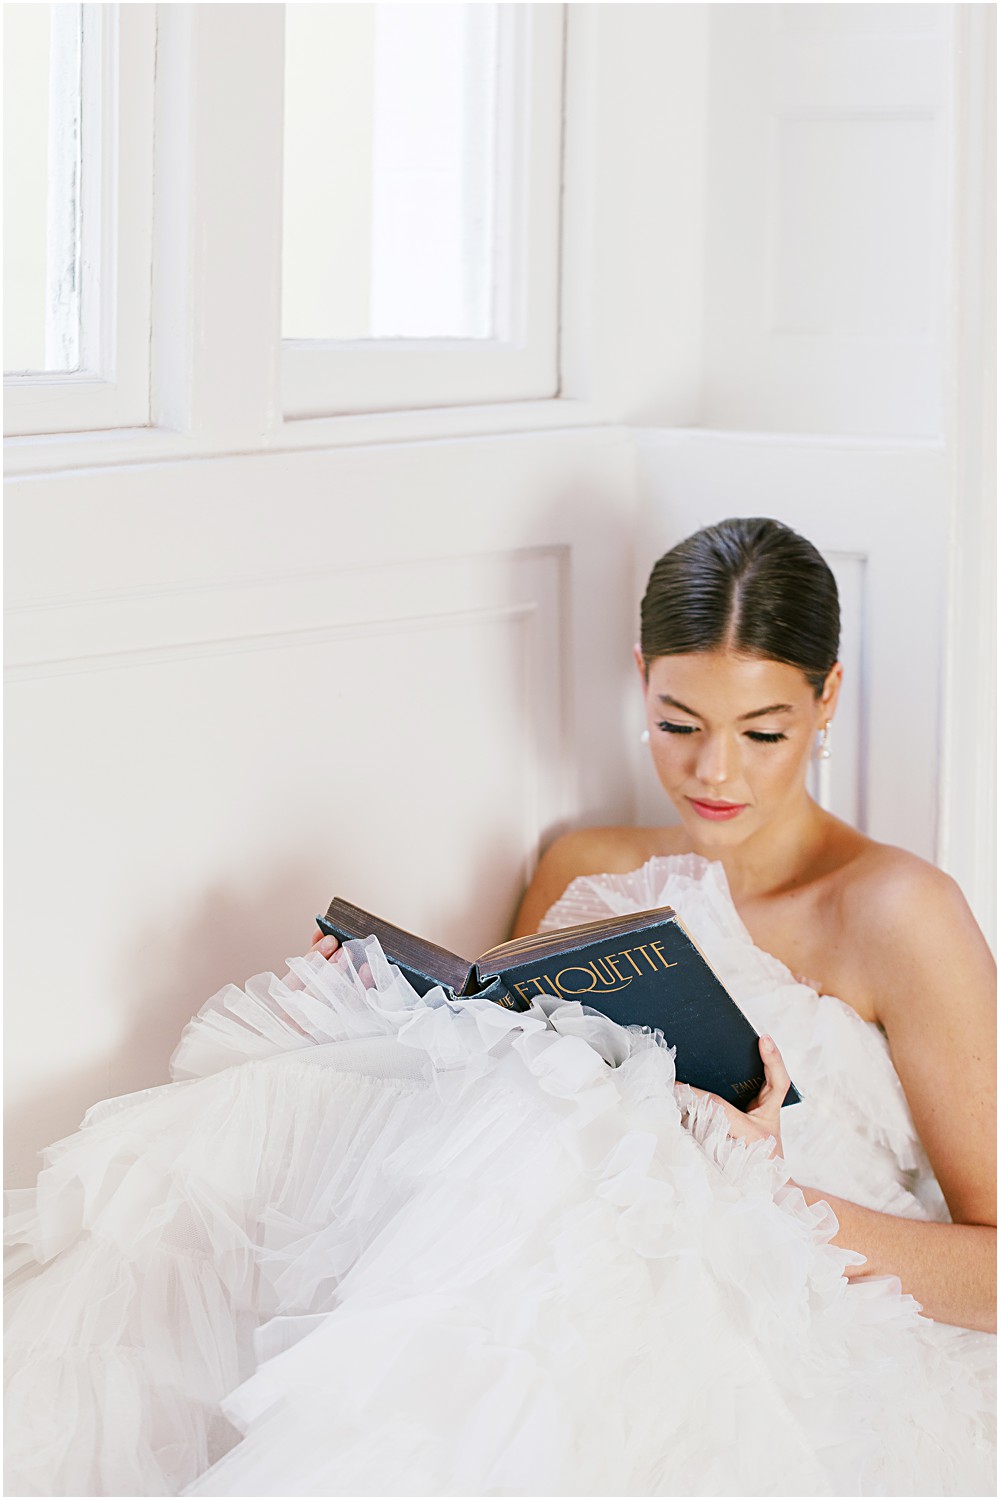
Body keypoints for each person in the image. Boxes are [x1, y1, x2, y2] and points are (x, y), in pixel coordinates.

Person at [5, 518, 995, 1498]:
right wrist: (376, 1011)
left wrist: (773, 1196)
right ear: (641, 677)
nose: (714, 772)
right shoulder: (585, 867)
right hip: (559, 1286)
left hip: (790, 1327)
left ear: (826, 698)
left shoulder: (896, 912)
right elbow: (494, 1088)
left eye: (762, 733)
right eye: (677, 723)